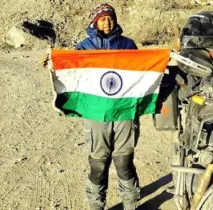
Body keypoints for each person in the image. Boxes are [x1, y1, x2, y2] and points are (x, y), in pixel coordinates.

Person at [75, 3, 140, 210]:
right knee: (98, 163)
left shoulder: (128, 45)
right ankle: (96, 204)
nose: (107, 22)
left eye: (110, 17)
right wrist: (51, 63)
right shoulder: (84, 48)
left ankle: (130, 203)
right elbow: (71, 71)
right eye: (102, 19)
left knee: (123, 161)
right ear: (95, 22)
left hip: (124, 111)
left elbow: (143, 71)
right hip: (96, 112)